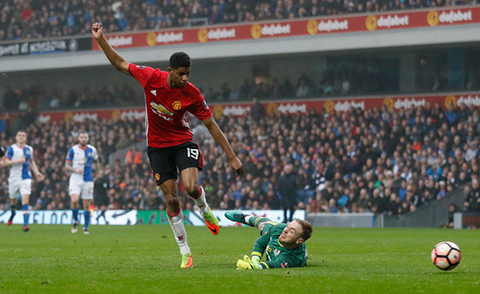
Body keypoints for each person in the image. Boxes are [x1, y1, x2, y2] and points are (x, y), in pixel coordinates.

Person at [91, 22, 243, 268]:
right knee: (172, 201)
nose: (185, 78)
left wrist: (232, 156)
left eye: (188, 74)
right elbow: (120, 64)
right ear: (170, 70)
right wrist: (101, 40)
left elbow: (211, 125)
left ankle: (204, 209)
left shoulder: (192, 93)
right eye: (181, 73)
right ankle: (185, 252)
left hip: (183, 142)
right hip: (157, 147)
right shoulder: (151, 77)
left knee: (192, 187)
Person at [224, 211, 312, 269]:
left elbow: (274, 264)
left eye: (291, 231)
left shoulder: (292, 258)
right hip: (273, 229)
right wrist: (255, 259)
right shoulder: (278, 230)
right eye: (287, 226)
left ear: (299, 241)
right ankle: (246, 217)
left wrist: (255, 266)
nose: (285, 230)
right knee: (263, 225)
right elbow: (260, 243)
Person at [3, 130, 44, 232]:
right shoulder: (12, 148)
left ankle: (25, 225)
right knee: (13, 201)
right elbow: (6, 162)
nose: (21, 137)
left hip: (25, 178)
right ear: (16, 137)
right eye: (19, 135)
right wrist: (17, 161)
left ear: (26, 138)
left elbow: (31, 161)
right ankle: (13, 213)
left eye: (23, 136)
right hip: (13, 179)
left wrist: (37, 172)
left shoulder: (29, 149)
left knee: (25, 200)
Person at [65, 131, 99, 234]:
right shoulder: (72, 150)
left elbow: (97, 161)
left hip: (88, 179)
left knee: (86, 204)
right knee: (74, 200)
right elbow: (67, 166)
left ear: (88, 139)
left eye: (85, 137)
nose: (83, 139)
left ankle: (86, 226)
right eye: (82, 137)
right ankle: (76, 220)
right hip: (75, 178)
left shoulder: (92, 150)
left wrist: (98, 173)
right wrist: (75, 170)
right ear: (78, 138)